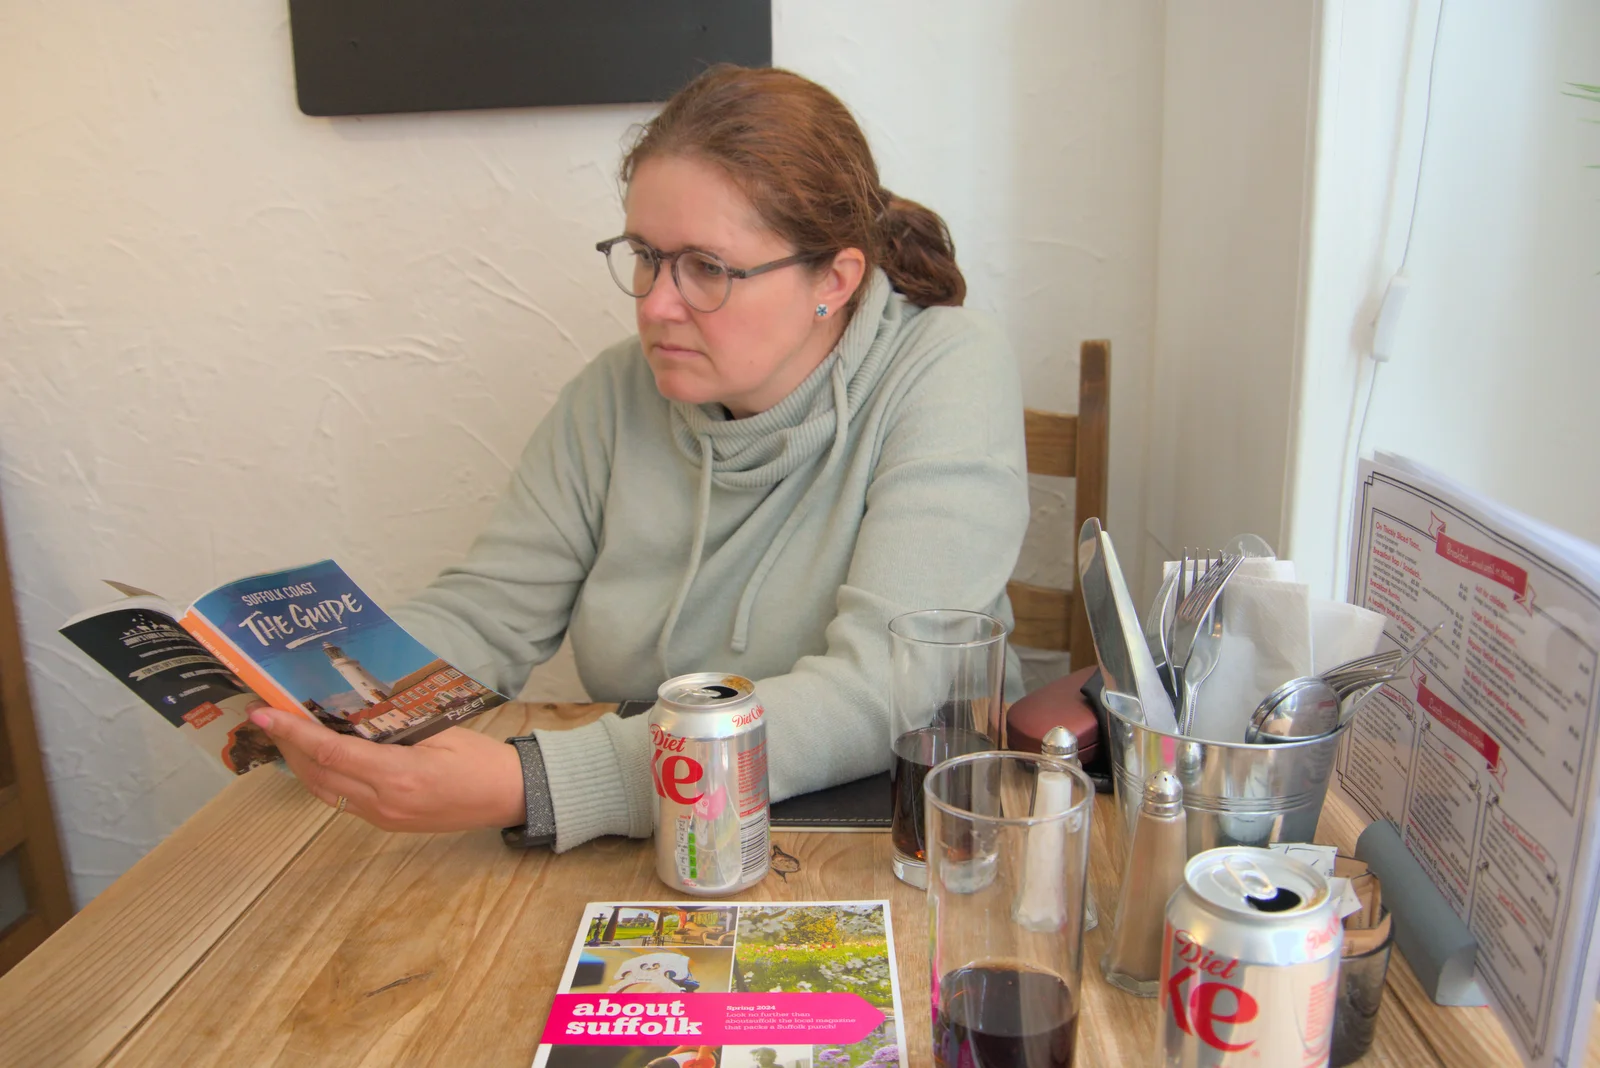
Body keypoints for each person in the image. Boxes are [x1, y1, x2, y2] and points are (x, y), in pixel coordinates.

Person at [247, 64, 1029, 851]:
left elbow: (891, 692)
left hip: (889, 842)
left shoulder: (947, 366)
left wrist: (536, 783)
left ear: (834, 277)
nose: (654, 304)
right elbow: (491, 611)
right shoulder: (616, 392)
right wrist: (317, 704)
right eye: (646, 256)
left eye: (707, 268)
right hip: (644, 829)